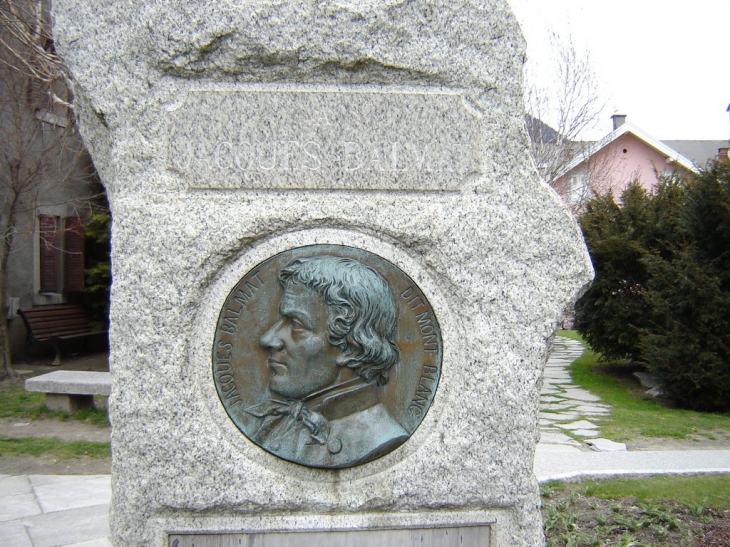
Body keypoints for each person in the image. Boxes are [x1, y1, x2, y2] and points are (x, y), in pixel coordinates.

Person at [245, 255, 409, 468]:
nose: (268, 339)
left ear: (350, 345)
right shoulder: (279, 425)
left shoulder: (378, 438)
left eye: (296, 324)